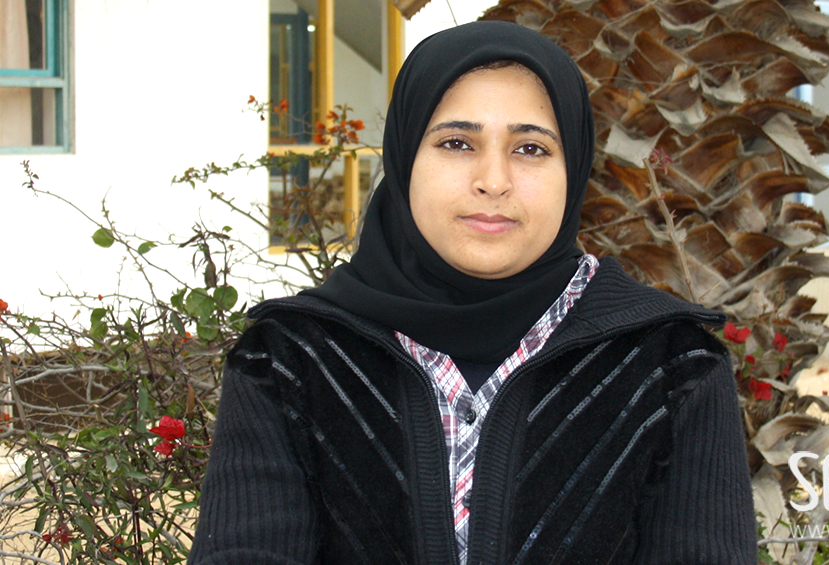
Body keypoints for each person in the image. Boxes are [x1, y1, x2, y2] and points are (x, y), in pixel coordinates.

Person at [189, 20, 755, 565]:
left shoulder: (671, 365)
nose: (493, 180)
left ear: (574, 168)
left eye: (530, 148)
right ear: (405, 157)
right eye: (457, 142)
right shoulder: (291, 358)